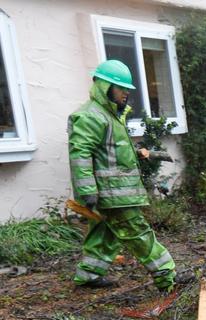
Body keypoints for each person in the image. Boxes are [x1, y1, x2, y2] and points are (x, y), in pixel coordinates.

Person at [68, 59, 188, 292]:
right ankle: (167, 275)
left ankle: (88, 276)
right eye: (121, 88)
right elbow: (80, 154)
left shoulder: (108, 115)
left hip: (114, 193)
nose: (126, 93)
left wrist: (134, 153)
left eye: (127, 89)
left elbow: (107, 151)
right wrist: (87, 191)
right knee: (138, 233)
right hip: (112, 194)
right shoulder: (91, 116)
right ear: (104, 86)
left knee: (104, 233)